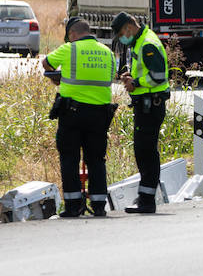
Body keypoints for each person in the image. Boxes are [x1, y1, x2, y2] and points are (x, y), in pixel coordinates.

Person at [42, 19, 116, 218]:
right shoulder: (107, 53)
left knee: (69, 157)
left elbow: (46, 63)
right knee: (96, 159)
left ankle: (73, 205)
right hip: (100, 114)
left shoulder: (69, 49)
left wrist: (57, 77)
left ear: (72, 34)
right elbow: (109, 77)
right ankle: (99, 205)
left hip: (72, 113)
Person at [112, 12, 170, 215]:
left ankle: (147, 200)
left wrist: (135, 83)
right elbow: (145, 71)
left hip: (150, 105)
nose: (122, 38)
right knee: (144, 151)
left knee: (146, 152)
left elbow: (159, 76)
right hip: (145, 105)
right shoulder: (140, 42)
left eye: (121, 34)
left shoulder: (147, 43)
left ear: (129, 27)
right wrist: (131, 76)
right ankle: (145, 197)